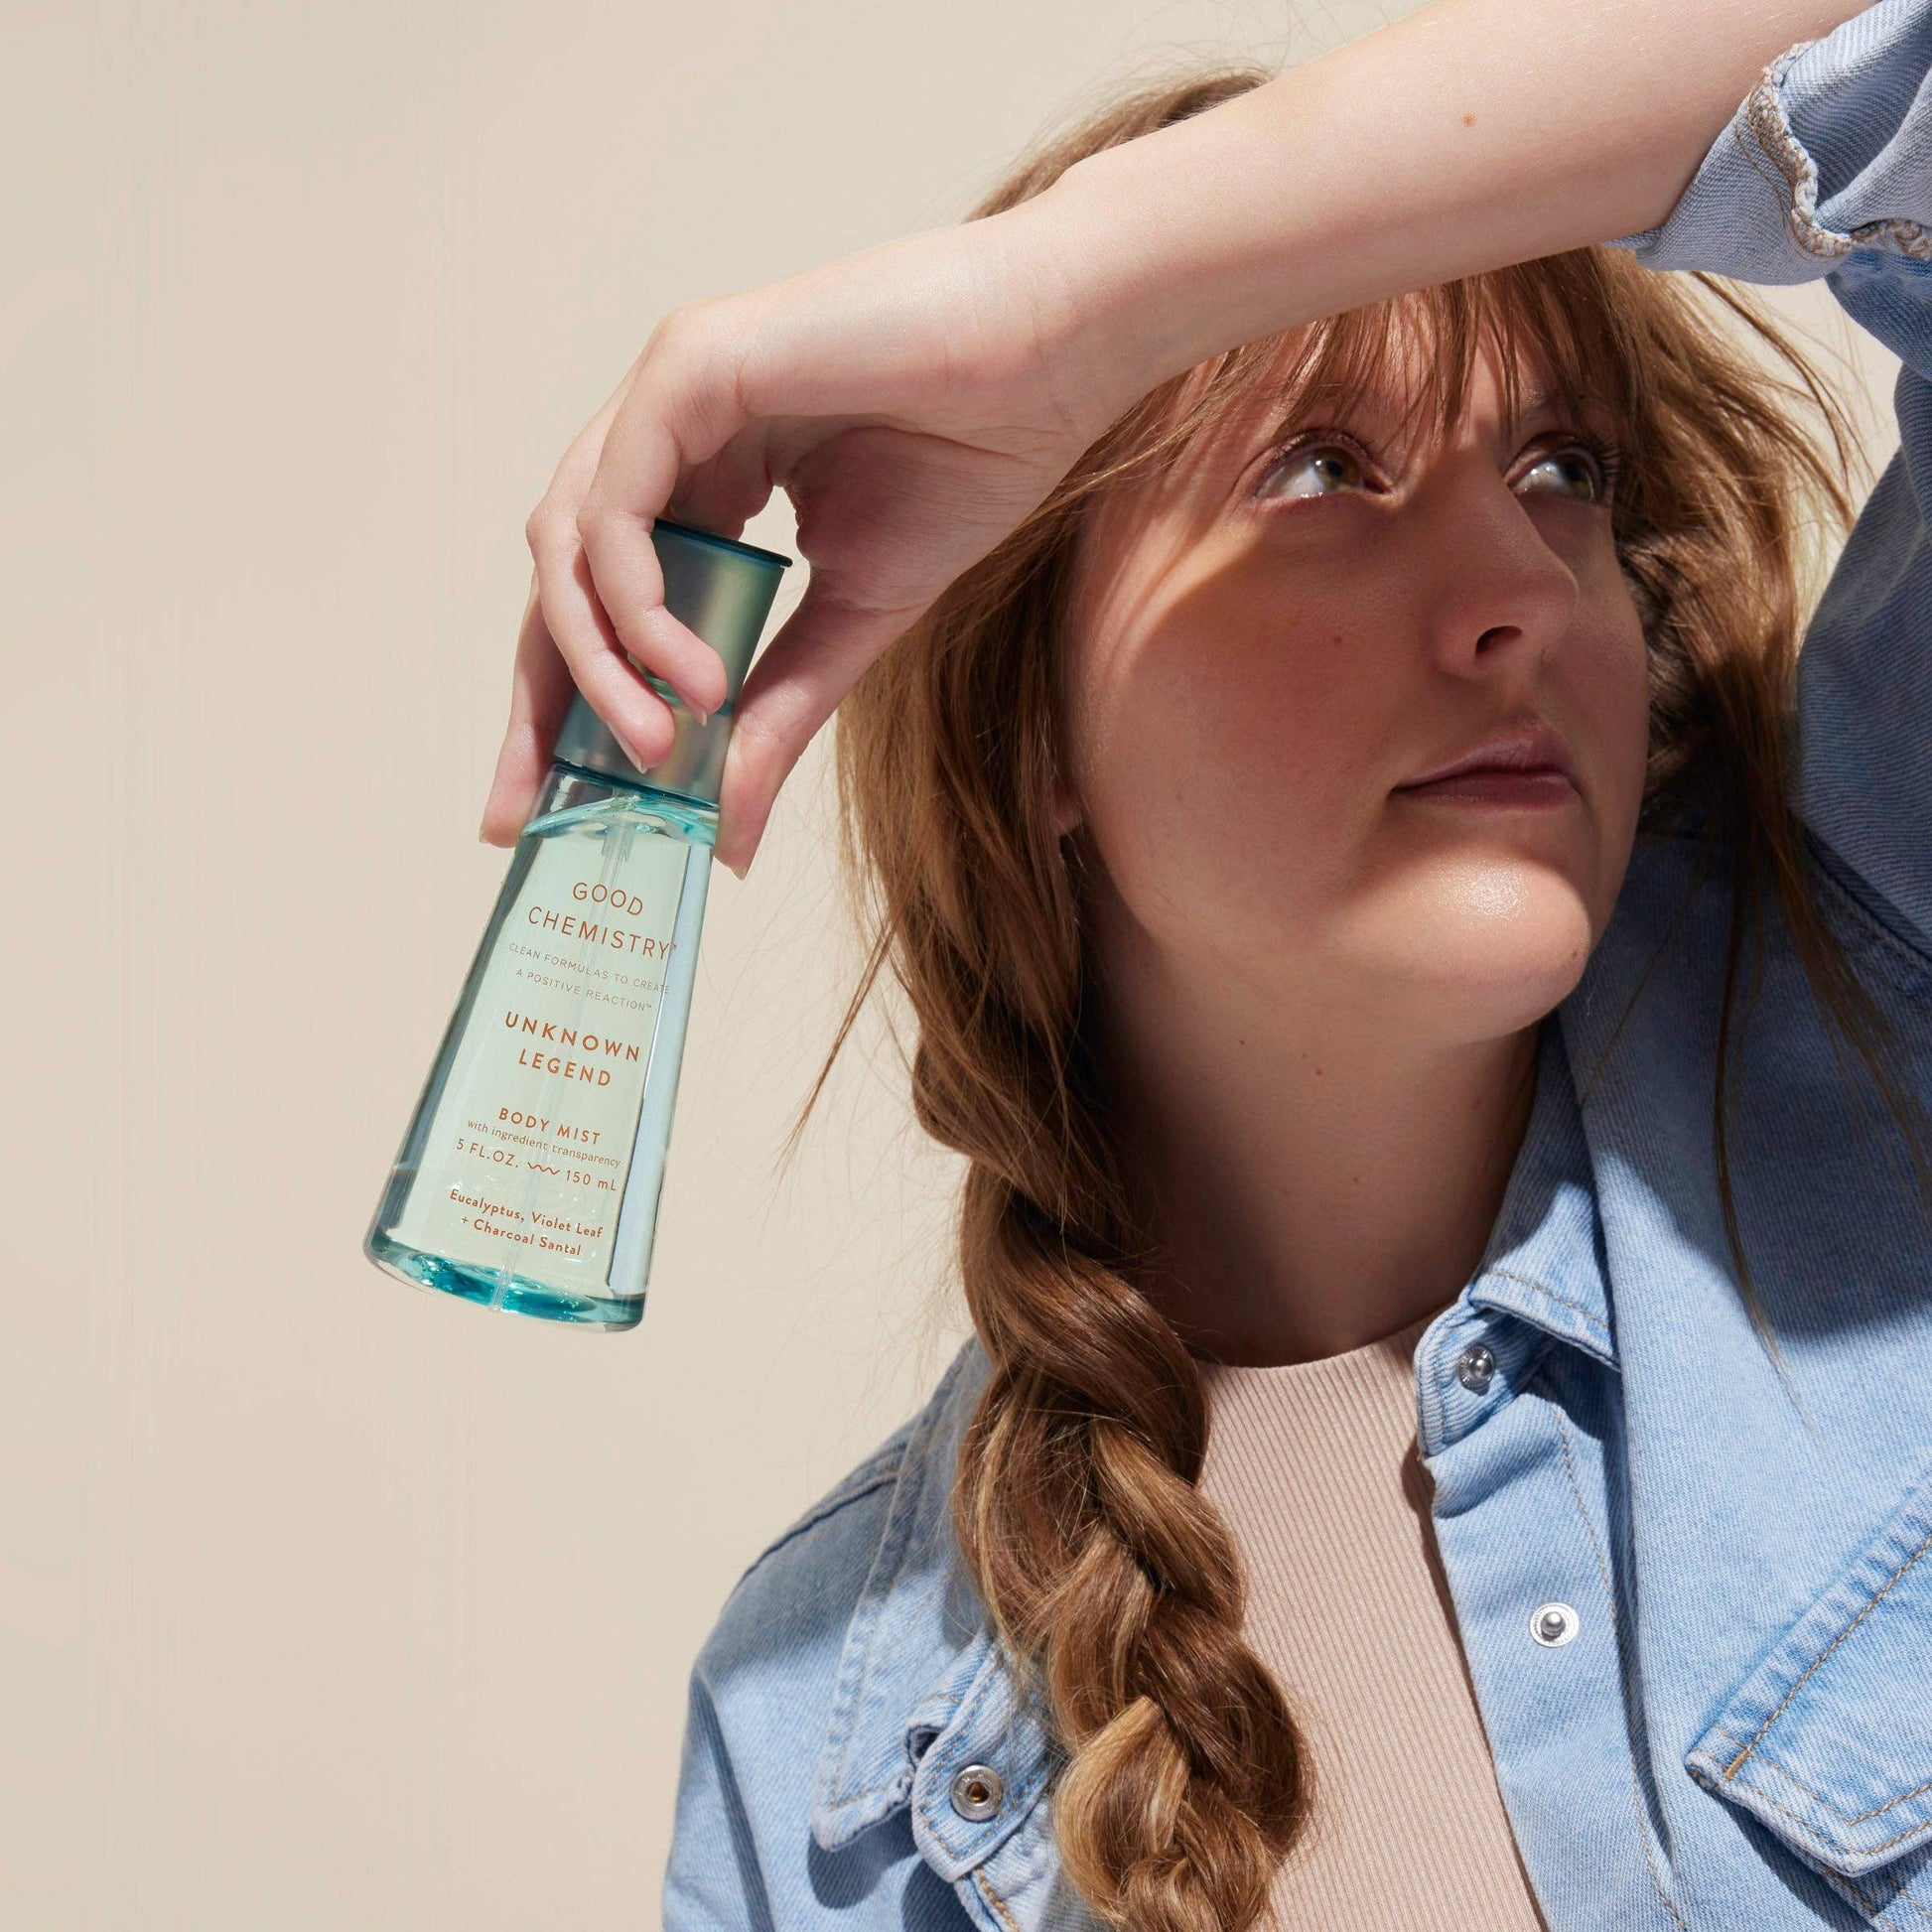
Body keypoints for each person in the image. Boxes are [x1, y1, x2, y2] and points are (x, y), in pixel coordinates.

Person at [482, 0, 1932, 1925]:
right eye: (1321, 474)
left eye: (1562, 471)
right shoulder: (823, 1766)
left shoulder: (1880, 991)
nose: (1518, 589)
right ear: (1036, 729)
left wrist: (1076, 288)